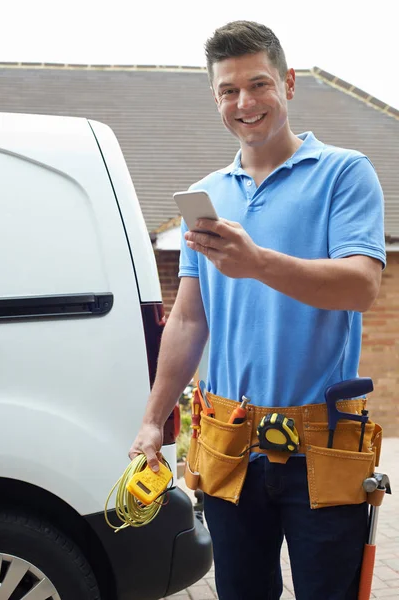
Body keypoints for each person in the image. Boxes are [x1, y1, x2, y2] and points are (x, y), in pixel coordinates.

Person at [129, 20, 386, 600]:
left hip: (323, 443)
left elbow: (361, 287)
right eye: (228, 90)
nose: (244, 102)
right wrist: (153, 418)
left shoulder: (345, 174)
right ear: (216, 98)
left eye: (258, 84)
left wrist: (259, 262)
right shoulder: (208, 195)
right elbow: (190, 319)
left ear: (289, 84)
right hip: (228, 441)